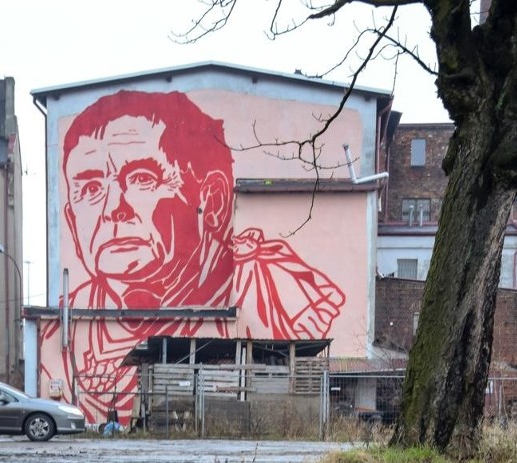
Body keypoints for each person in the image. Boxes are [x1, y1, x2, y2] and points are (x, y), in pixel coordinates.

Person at [56, 89, 346, 425]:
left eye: (141, 179)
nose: (114, 210)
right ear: (72, 219)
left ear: (214, 200)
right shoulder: (63, 330)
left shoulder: (277, 293)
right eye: (91, 188)